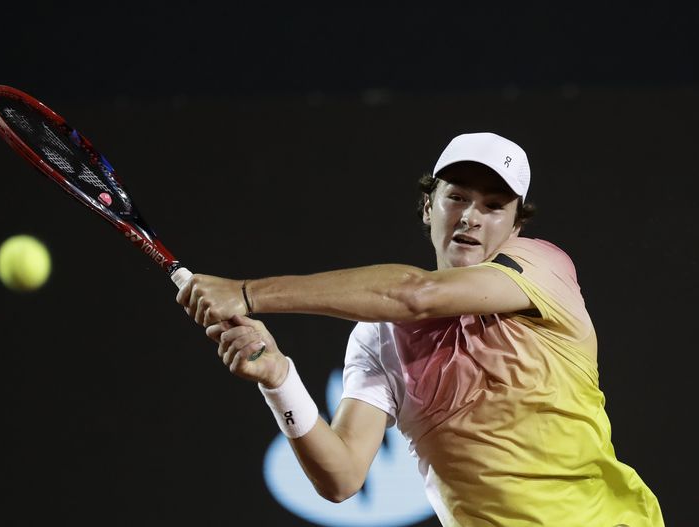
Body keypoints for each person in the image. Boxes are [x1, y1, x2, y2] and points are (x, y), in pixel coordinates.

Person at [177, 132, 664, 527]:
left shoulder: (544, 268)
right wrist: (280, 380)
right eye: (457, 198)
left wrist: (246, 292)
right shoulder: (379, 337)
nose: (472, 216)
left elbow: (417, 294)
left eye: (494, 206)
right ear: (429, 207)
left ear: (517, 228)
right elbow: (341, 478)